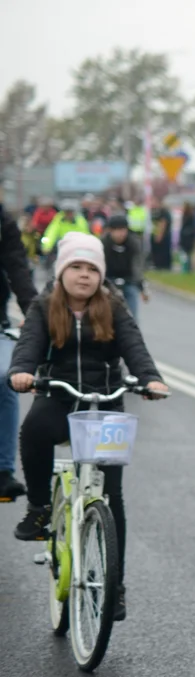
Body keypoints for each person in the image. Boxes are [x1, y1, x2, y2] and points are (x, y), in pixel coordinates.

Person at [7, 232, 169, 621]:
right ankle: (40, 508)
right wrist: (22, 371)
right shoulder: (45, 306)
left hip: (105, 402)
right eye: (76, 267)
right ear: (62, 272)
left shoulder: (113, 307)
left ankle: (115, 586)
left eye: (92, 269)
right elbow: (28, 345)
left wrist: (150, 379)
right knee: (34, 429)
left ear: (101, 275)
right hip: (59, 396)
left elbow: (135, 347)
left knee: (112, 496)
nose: (84, 275)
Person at [0, 201, 38, 502]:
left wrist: (36, 313)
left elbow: (16, 264)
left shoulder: (3, 220)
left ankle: (3, 472)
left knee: (6, 378)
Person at [102, 213, 148, 322]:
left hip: (128, 279)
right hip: (109, 280)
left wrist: (142, 288)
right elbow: (100, 265)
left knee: (132, 303)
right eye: (116, 230)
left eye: (122, 229)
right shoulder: (104, 244)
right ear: (110, 231)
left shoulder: (134, 243)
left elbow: (137, 266)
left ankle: (132, 325)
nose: (120, 234)